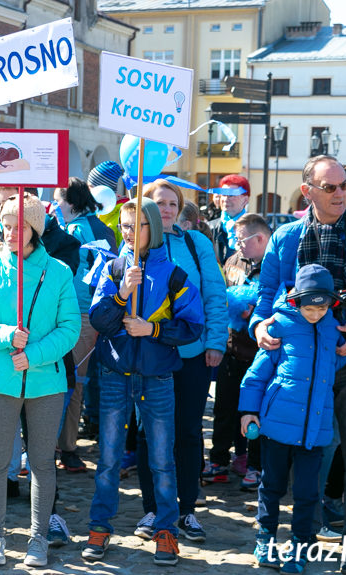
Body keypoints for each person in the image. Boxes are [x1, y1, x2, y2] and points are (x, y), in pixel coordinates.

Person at [250, 155, 346, 575]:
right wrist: (258, 325)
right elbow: (265, 295)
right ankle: (306, 538)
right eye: (332, 188)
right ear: (308, 192)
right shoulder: (284, 238)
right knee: (310, 451)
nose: (343, 195)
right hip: (301, 366)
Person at [0, 191, 81, 549]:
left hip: (46, 383)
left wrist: (36, 353)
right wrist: (6, 335)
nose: (9, 233)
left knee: (42, 463)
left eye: (18, 226)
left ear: (35, 230)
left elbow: (70, 327)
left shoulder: (57, 272)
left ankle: (39, 537)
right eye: (6, 226)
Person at [83, 198, 204, 566]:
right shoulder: (113, 266)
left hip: (157, 378)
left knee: (162, 459)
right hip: (115, 374)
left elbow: (193, 326)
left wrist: (151, 328)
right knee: (107, 458)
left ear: (153, 227)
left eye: (137, 225)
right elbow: (99, 320)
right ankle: (100, 527)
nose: (129, 232)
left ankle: (165, 530)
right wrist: (121, 294)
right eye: (124, 226)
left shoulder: (174, 275)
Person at [137, 179, 228, 542]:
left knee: (188, 432)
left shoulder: (197, 242)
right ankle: (152, 508)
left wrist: (216, 341)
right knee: (148, 434)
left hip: (192, 352)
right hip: (150, 354)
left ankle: (187, 509)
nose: (168, 210)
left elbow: (215, 294)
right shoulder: (136, 244)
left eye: (173, 203)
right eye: (160, 203)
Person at [239, 264, 343, 572]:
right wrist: (248, 412)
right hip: (276, 426)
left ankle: (300, 543)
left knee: (308, 492)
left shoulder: (331, 327)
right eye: (310, 308)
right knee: (271, 486)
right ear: (297, 300)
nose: (316, 313)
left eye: (322, 307)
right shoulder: (280, 324)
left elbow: (336, 362)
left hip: (316, 429)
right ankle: (266, 539)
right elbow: (257, 375)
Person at [52, 177, 115, 473]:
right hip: (87, 313)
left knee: (68, 382)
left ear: (73, 203)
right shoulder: (100, 226)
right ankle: (64, 446)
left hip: (78, 313)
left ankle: (64, 447)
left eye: (59, 200)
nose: (55, 206)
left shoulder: (77, 230)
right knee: (74, 382)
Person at [206, 213, 272, 489]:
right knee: (223, 409)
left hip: (261, 354)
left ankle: (255, 466)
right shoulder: (234, 261)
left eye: (240, 239)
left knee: (256, 413)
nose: (236, 243)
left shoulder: (276, 264)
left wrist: (254, 313)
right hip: (231, 351)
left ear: (259, 238)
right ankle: (219, 460)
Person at [208, 174, 251, 265]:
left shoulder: (255, 228)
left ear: (245, 200)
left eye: (231, 195)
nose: (226, 199)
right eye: (223, 194)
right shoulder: (210, 228)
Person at [88, 161, 127, 246]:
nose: (87, 191)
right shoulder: (94, 211)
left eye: (90, 187)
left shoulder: (123, 214)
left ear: (102, 189)